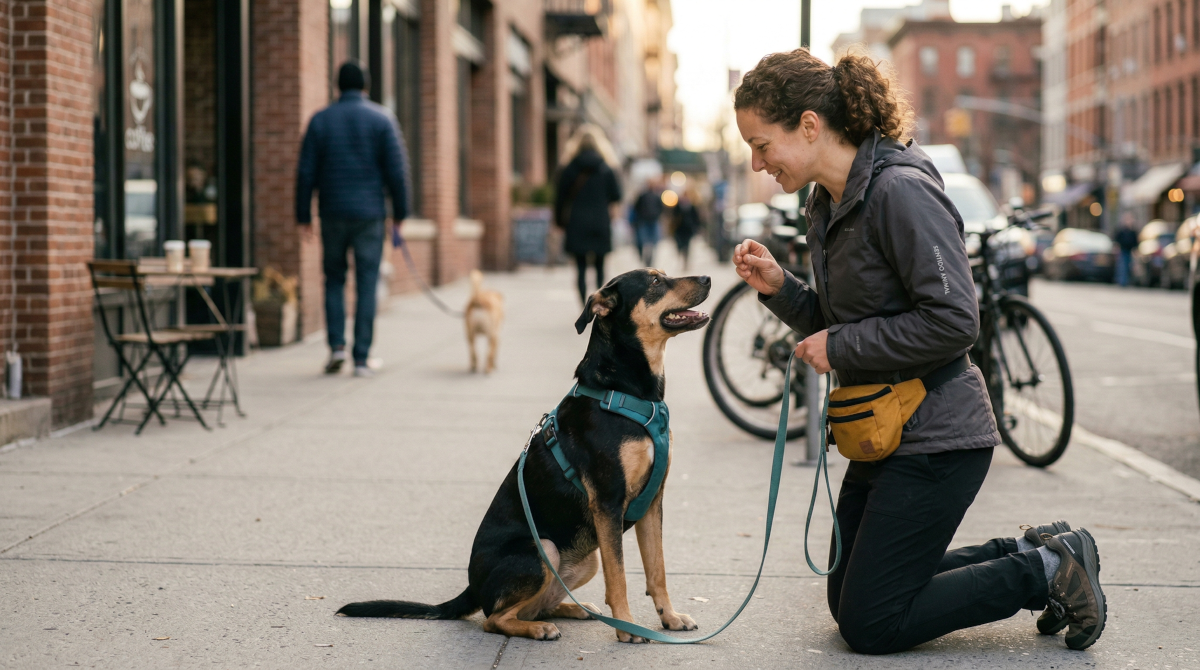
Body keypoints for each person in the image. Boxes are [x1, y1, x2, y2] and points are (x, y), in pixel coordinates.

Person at [731, 48, 1106, 654]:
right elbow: (847, 322)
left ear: (807, 125)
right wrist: (782, 289)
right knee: (846, 594)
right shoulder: (827, 202)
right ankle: (1037, 553)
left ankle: (1043, 572)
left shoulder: (899, 191)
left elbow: (956, 320)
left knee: (872, 622)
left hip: (938, 438)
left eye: (761, 144)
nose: (756, 162)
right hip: (883, 428)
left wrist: (843, 341)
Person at [296, 61, 410, 378]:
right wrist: (400, 215)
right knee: (366, 283)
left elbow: (305, 172)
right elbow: (398, 172)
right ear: (366, 86)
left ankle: (336, 347)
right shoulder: (382, 119)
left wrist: (303, 215)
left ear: (337, 87)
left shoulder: (320, 120)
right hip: (369, 216)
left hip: (331, 212)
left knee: (333, 278)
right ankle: (361, 358)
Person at [554, 132, 622, 304]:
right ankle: (599, 304)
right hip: (600, 221)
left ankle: (583, 305)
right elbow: (616, 196)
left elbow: (560, 198)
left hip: (577, 223)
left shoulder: (569, 168)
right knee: (600, 266)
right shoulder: (606, 168)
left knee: (580, 268)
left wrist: (559, 222)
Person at [631, 177, 665, 267]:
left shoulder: (655, 196)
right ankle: (646, 257)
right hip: (645, 221)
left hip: (651, 221)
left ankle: (649, 258)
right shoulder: (644, 196)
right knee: (646, 241)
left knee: (651, 242)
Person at [671, 187, 703, 271]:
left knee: (687, 246)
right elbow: (673, 216)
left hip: (688, 229)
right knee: (679, 245)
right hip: (679, 229)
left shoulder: (692, 206)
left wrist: (696, 227)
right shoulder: (678, 205)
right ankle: (682, 256)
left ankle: (686, 261)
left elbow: (696, 217)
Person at [1114, 213, 1140, 287]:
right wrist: (1117, 248)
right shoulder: (1121, 230)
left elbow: (1135, 242)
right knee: (1122, 267)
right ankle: (1122, 282)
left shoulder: (1133, 231)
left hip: (1130, 251)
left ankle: (1127, 281)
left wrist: (1135, 251)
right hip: (1123, 250)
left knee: (1129, 267)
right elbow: (1117, 240)